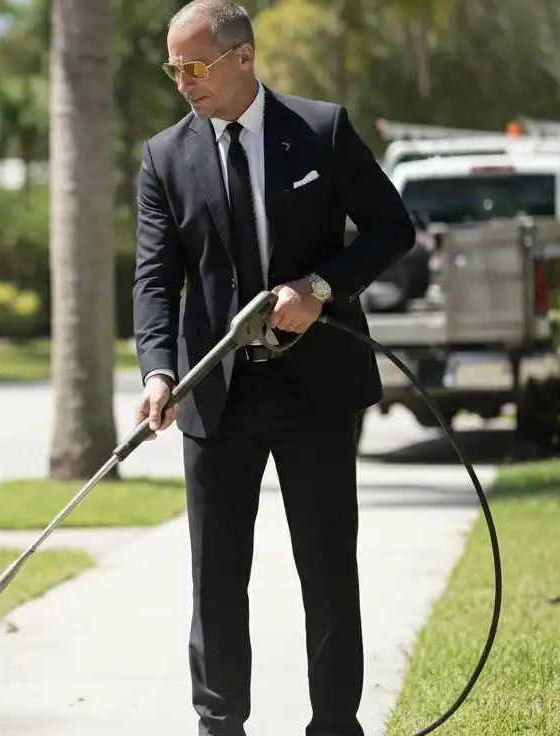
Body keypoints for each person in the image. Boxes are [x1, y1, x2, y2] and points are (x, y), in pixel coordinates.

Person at [131, 2, 415, 735]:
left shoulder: (320, 130)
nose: (183, 83)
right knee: (217, 578)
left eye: (195, 67)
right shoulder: (164, 157)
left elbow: (391, 228)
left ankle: (334, 725)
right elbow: (155, 281)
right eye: (174, 69)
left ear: (244, 57)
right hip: (213, 394)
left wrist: (318, 289)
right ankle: (220, 725)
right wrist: (158, 372)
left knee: (325, 570)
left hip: (314, 389)